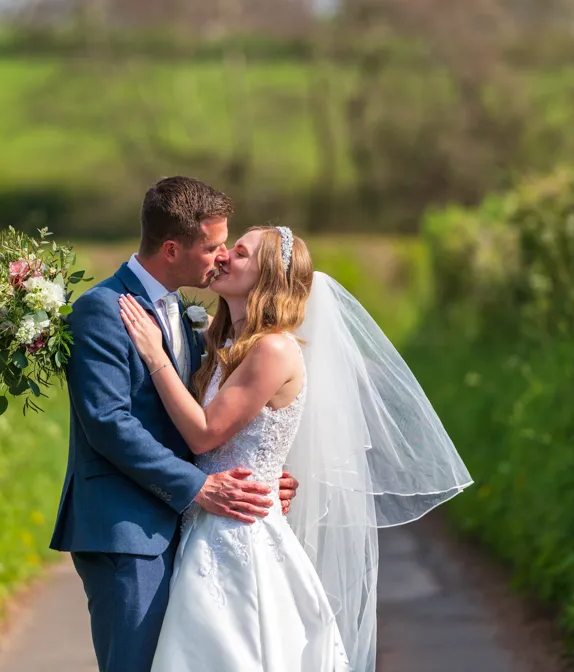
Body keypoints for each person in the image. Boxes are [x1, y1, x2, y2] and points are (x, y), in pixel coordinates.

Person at [119, 225, 473, 671]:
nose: (224, 256)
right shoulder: (226, 344)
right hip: (209, 523)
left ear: (267, 277)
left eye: (241, 254)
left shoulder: (272, 350)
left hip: (238, 535)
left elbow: (205, 432)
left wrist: (156, 358)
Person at [50, 177, 301, 672]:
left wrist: (262, 475)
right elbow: (108, 423)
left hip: (183, 527)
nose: (222, 256)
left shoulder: (188, 316)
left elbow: (209, 416)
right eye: (212, 246)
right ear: (171, 249)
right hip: (128, 531)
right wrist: (198, 486)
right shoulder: (101, 311)